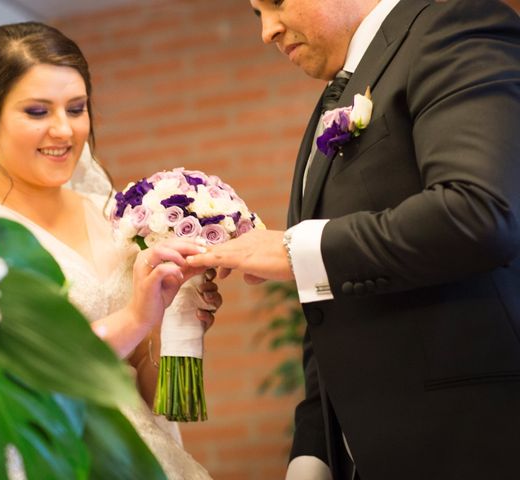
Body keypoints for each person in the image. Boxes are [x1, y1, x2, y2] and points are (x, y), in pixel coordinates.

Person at [187, 0, 520, 479]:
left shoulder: (453, 25)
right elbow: (334, 305)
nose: (267, 31)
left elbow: (480, 212)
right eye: (255, 13)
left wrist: (293, 249)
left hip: (477, 442)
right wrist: (315, 453)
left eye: (276, 4)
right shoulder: (339, 93)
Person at [0, 22, 220, 479]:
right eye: (36, 111)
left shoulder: (111, 214)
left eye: (76, 108)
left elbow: (141, 389)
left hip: (129, 455)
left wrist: (171, 319)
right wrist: (132, 319)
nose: (63, 130)